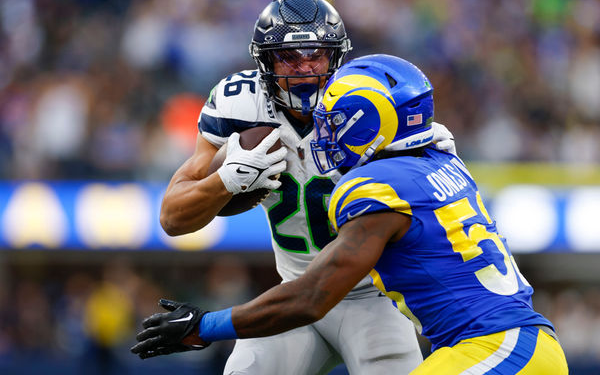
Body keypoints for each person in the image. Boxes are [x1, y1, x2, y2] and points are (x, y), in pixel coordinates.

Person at [132, 54, 569, 374]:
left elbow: (311, 296)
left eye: (335, 120)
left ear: (369, 124)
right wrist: (224, 180)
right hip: (513, 344)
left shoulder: (378, 187)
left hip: (495, 347)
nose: (322, 132)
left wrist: (205, 325)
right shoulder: (440, 159)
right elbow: (175, 216)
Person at [157, 0, 455, 374]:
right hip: (292, 289)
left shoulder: (369, 103)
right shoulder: (240, 105)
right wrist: (226, 181)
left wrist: (431, 159)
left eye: (315, 55)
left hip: (375, 296)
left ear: (335, 57)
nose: (304, 69)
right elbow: (172, 217)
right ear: (265, 61)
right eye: (288, 57)